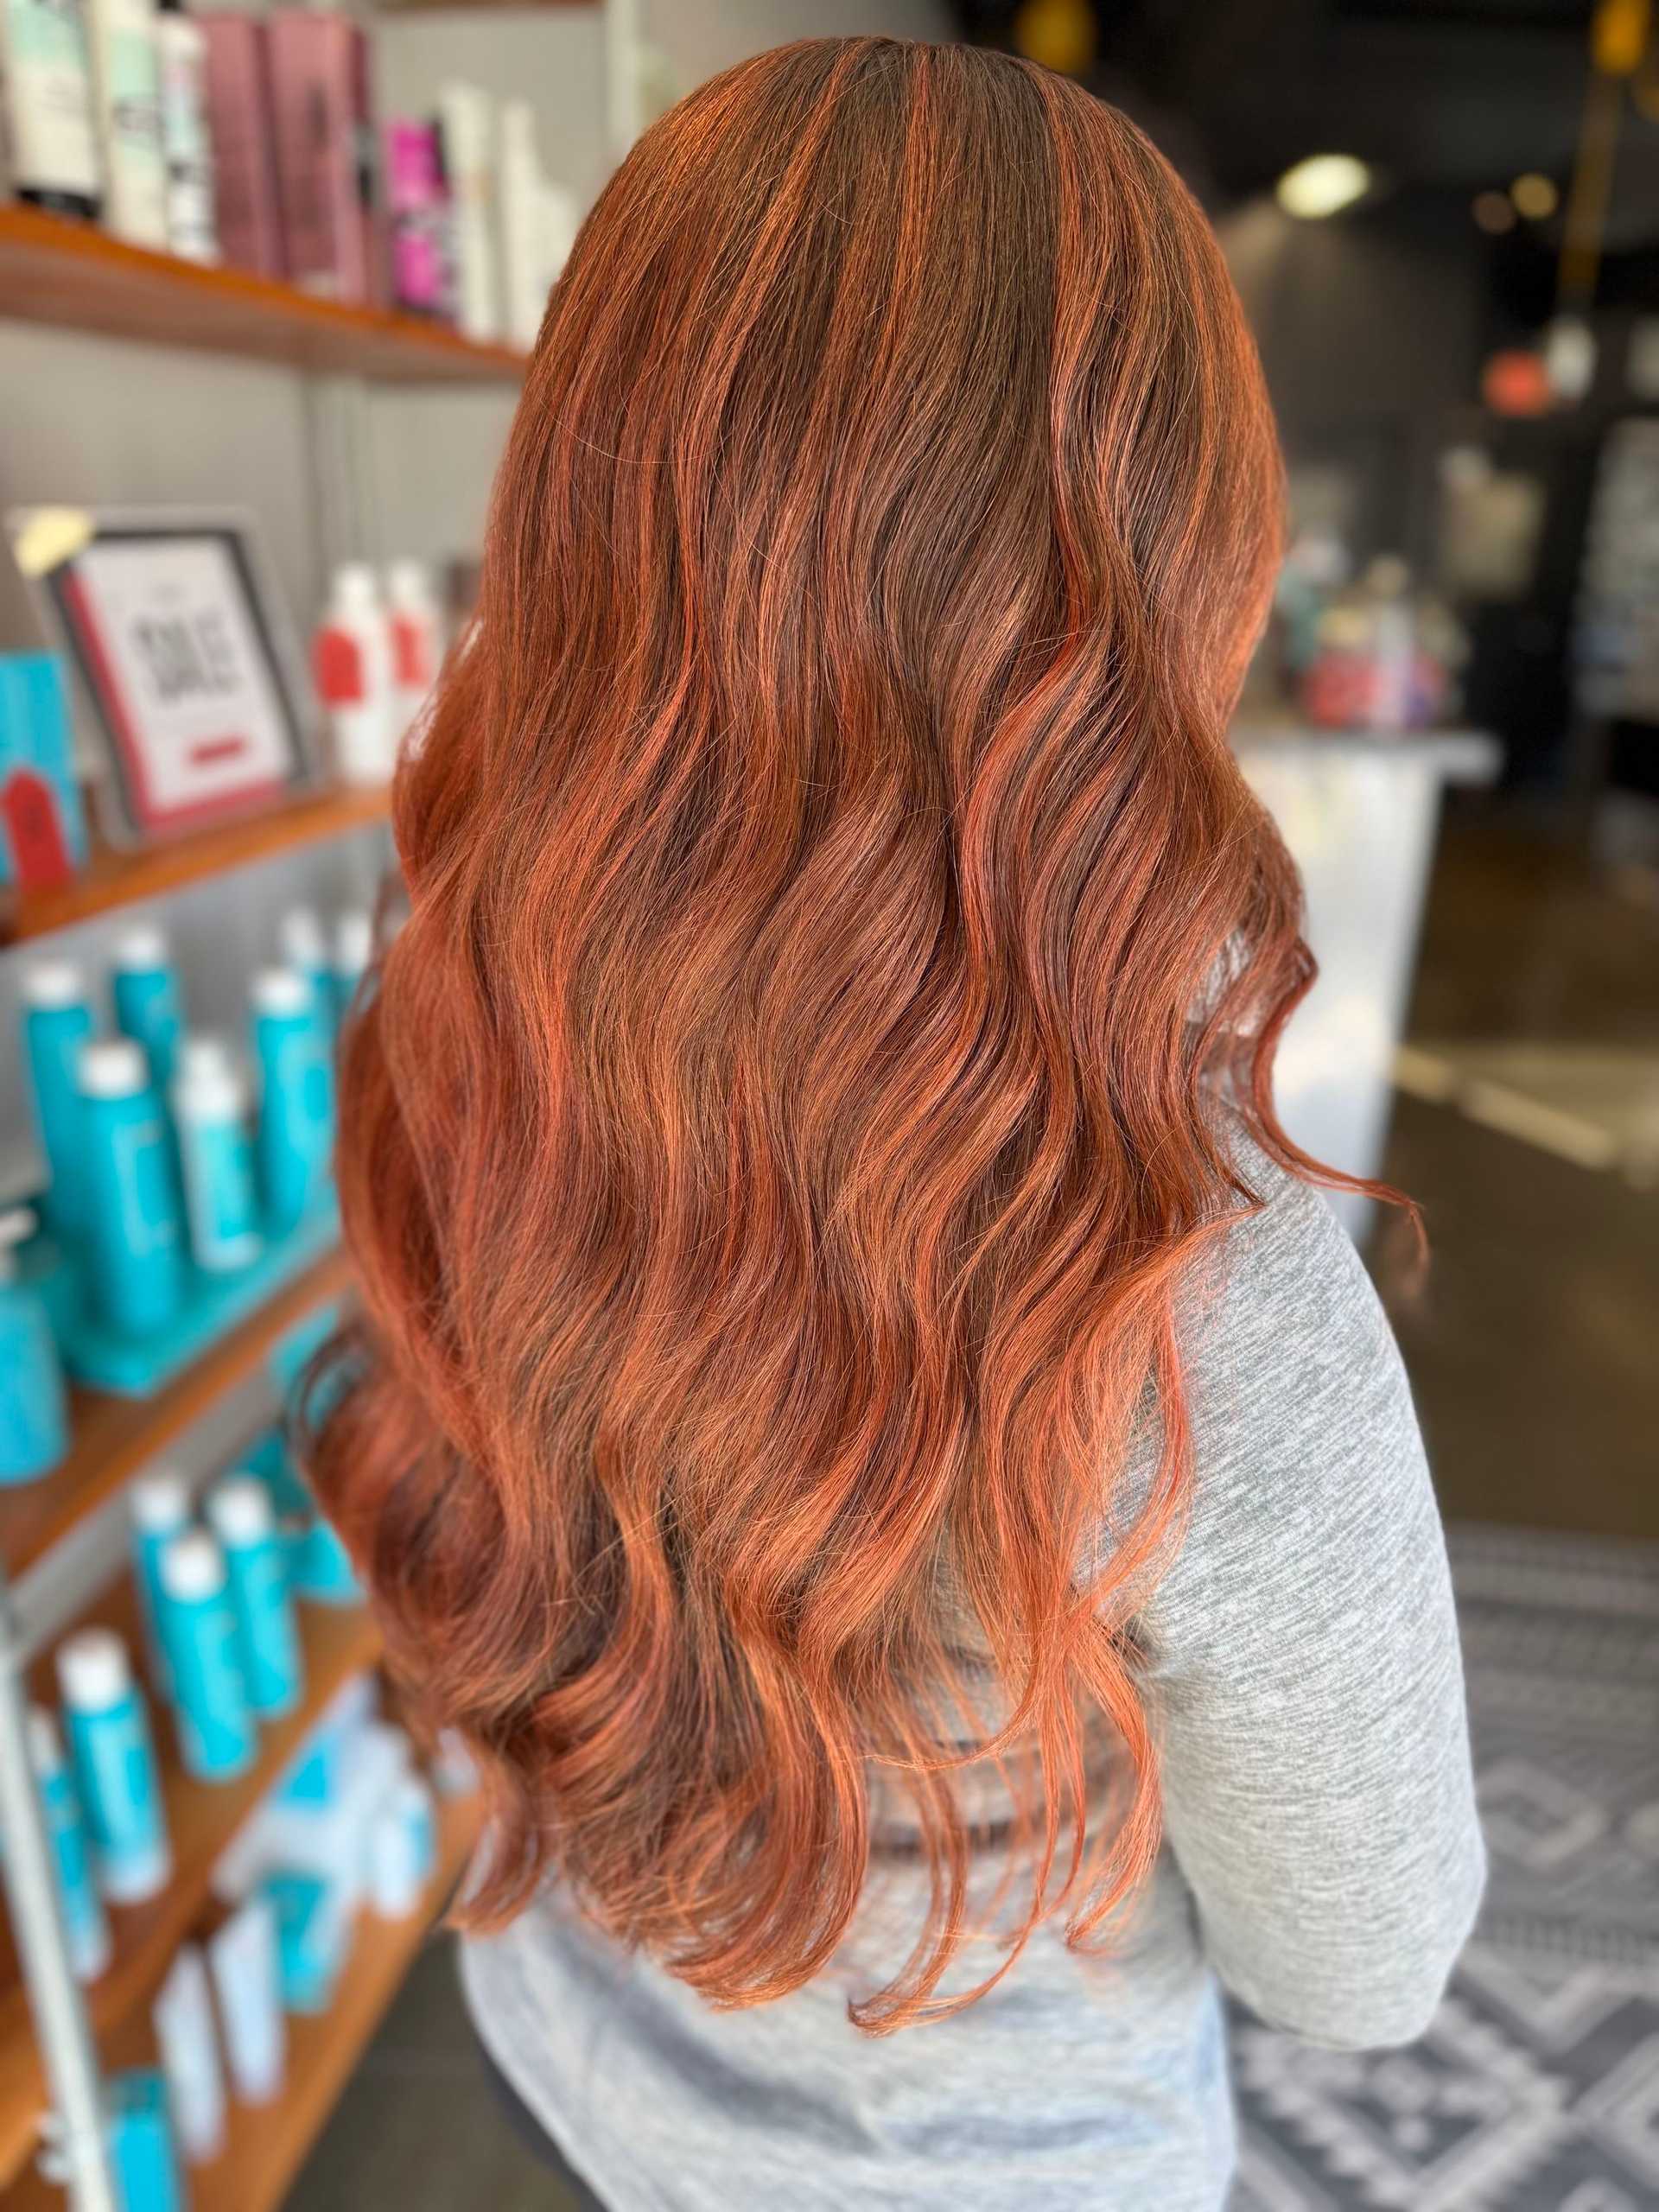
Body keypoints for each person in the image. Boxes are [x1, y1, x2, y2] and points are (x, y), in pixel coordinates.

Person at [308, 37, 1484, 2212]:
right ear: (1159, 559)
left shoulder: (463, 1011)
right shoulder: (1188, 1279)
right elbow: (1368, 1962)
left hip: (563, 2061)